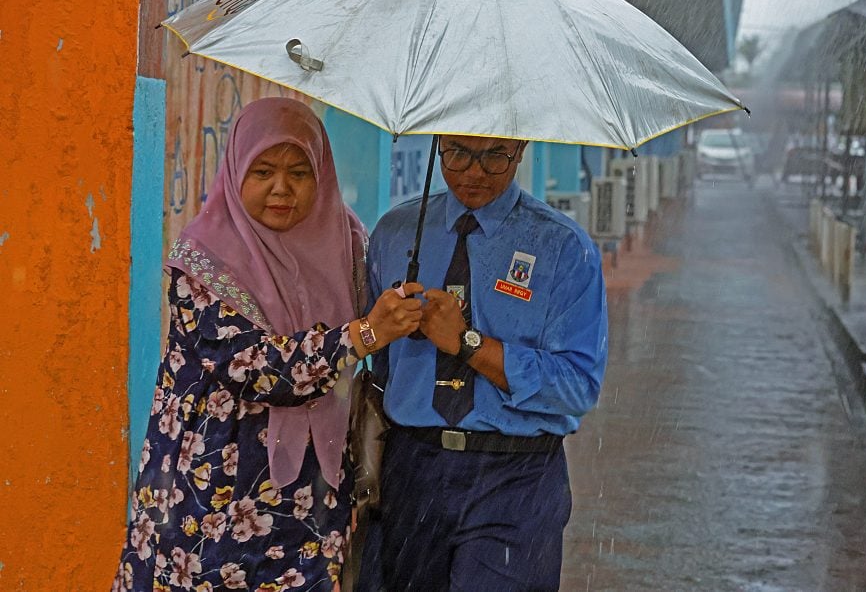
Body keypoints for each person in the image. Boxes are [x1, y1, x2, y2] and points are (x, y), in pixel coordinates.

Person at [111, 97, 422, 592]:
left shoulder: (349, 241)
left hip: (313, 492)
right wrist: (364, 334)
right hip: (210, 490)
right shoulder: (204, 260)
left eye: (300, 172)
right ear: (236, 174)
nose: (282, 188)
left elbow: (380, 346)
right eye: (263, 172)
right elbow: (252, 368)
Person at [359, 135, 609, 590]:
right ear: (437, 146)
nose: (473, 172)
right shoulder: (395, 234)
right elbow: (377, 369)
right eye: (456, 153)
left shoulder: (563, 249)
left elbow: (577, 386)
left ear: (521, 149)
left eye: (494, 155)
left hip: (516, 476)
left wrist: (468, 343)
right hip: (413, 468)